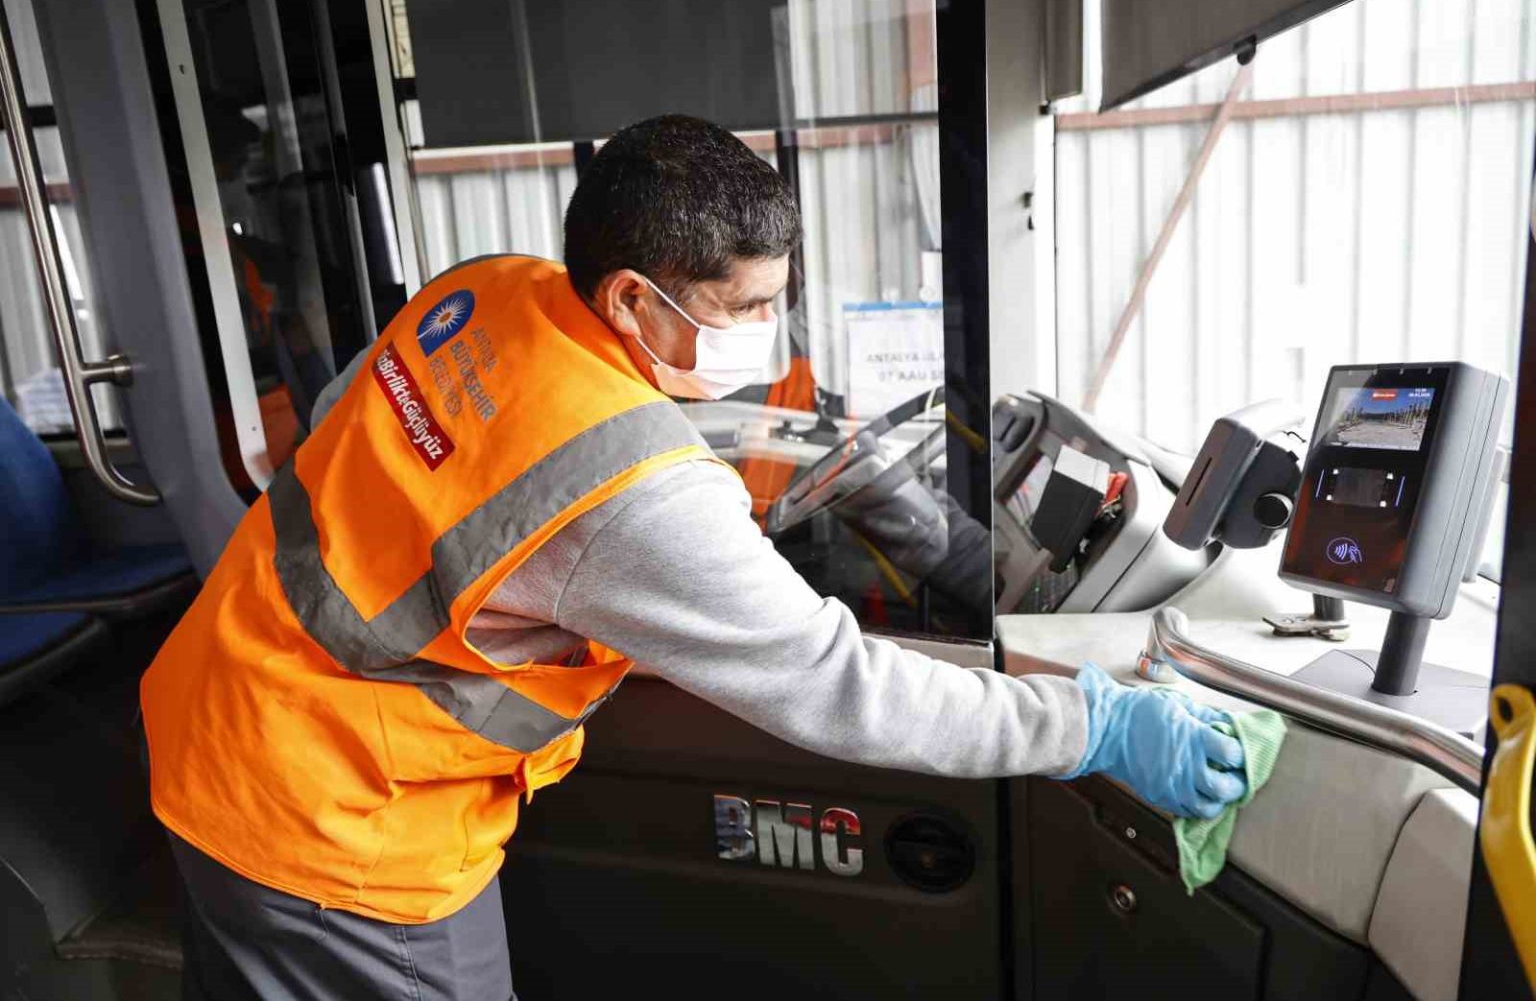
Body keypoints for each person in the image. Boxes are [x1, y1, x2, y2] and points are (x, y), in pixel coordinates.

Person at [141, 114, 1246, 1001]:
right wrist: (1091, 724)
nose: (770, 327)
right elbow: (841, 687)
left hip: (215, 714)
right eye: (747, 306)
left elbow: (350, 431)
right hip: (341, 826)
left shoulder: (486, 287)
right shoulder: (634, 493)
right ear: (631, 298)